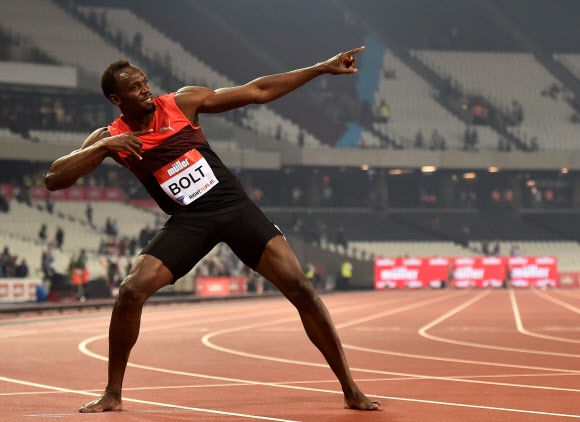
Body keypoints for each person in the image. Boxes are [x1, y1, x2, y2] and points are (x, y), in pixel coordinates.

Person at [44, 46, 379, 413]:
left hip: (234, 209)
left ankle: (350, 388)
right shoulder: (111, 137)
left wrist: (320, 68)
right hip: (190, 222)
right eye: (135, 88)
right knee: (130, 291)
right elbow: (54, 178)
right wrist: (107, 144)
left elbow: (258, 92)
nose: (145, 90)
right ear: (116, 98)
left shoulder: (182, 103)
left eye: (145, 83)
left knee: (301, 287)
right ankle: (113, 392)